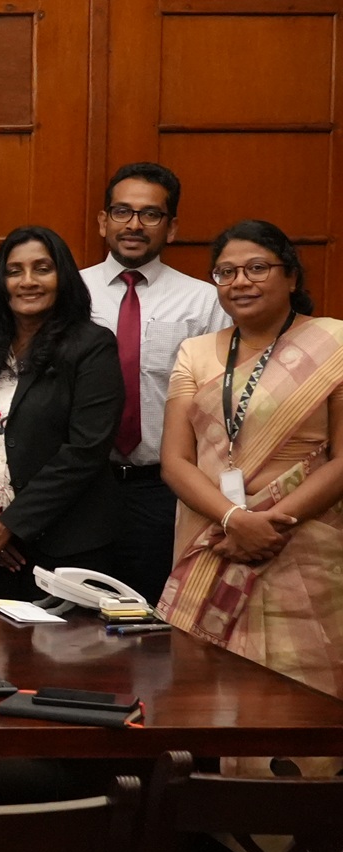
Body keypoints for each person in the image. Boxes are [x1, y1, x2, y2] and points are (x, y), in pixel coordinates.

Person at [159, 220, 343, 708]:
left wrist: (271, 526)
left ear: (292, 277)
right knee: (207, 696)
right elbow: (175, 461)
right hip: (213, 536)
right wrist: (235, 519)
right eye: (225, 272)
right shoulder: (195, 352)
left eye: (257, 268)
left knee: (303, 694)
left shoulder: (335, 343)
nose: (240, 281)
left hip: (303, 541)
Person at [81, 162, 229, 602]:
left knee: (155, 625)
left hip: (164, 491)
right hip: (83, 489)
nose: (134, 224)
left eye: (150, 214)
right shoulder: (71, 292)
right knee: (73, 631)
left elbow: (219, 406)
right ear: (103, 221)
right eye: (122, 211)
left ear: (172, 227)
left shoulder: (205, 302)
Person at [0, 226, 123, 600]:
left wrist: (10, 524)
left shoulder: (92, 346)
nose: (27, 281)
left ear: (62, 278)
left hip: (69, 547)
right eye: (15, 271)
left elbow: (85, 449)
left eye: (42, 269)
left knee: (66, 657)